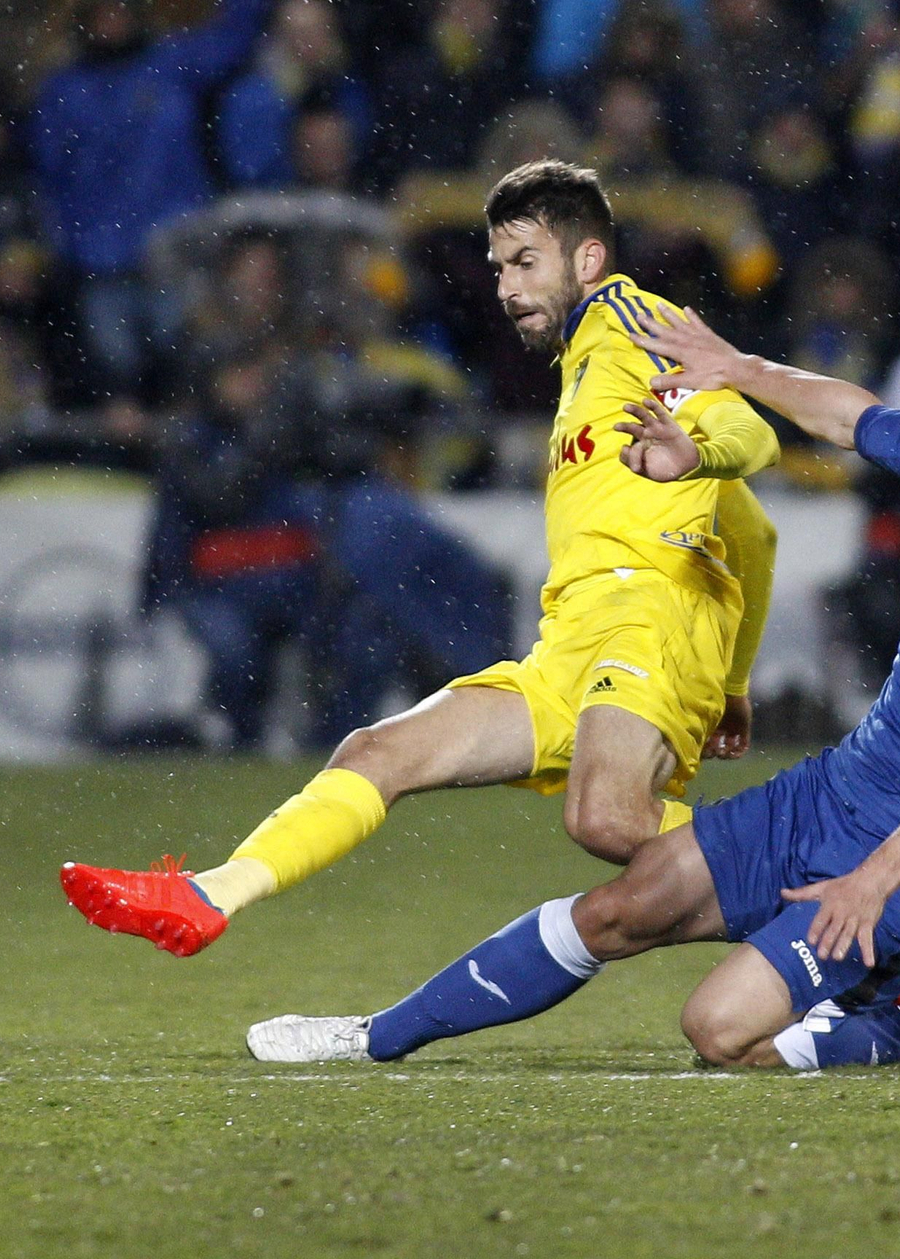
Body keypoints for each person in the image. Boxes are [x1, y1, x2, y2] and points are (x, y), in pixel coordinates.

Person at [245, 325, 900, 1073]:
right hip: (837, 789)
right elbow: (845, 416)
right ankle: (373, 1038)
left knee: (721, 1033)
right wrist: (737, 367)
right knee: (624, 905)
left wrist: (872, 881)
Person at [61, 161, 780, 953]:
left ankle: (819, 873)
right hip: (571, 648)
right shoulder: (586, 366)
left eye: (526, 263)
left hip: (648, 617)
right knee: (378, 750)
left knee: (606, 819)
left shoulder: (636, 324)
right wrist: (734, 686)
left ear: (588, 259)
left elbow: (749, 433)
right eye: (499, 267)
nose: (507, 288)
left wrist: (700, 453)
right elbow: (753, 533)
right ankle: (209, 895)